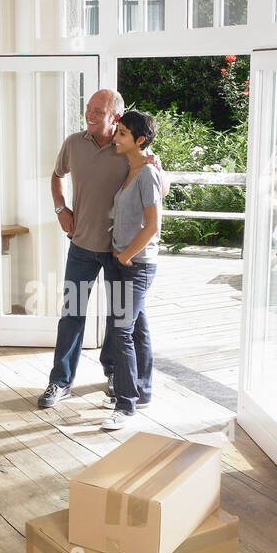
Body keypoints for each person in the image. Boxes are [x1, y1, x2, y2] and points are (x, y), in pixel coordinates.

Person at [37, 90, 160, 409]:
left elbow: (157, 190)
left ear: (115, 116)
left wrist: (158, 168)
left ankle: (118, 378)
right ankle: (60, 382)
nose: (89, 114)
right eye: (88, 109)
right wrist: (60, 209)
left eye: (98, 111)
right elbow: (56, 177)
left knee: (124, 320)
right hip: (81, 247)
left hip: (119, 252)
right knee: (71, 314)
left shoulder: (128, 147)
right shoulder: (74, 143)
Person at [101, 109, 161, 430]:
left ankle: (125, 404)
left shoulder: (147, 174)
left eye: (123, 133)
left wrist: (126, 255)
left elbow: (153, 226)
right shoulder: (132, 169)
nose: (116, 136)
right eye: (118, 130)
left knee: (121, 330)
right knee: (136, 327)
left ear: (140, 140)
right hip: (123, 262)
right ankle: (144, 390)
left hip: (136, 265)